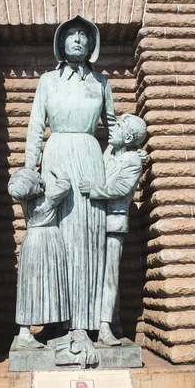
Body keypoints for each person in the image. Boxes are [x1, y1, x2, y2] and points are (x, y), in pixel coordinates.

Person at [24, 15, 116, 333]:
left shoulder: (101, 83)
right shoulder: (48, 81)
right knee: (57, 238)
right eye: (71, 34)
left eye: (82, 35)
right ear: (61, 43)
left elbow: (114, 131)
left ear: (91, 44)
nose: (77, 39)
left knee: (90, 239)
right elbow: (37, 127)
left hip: (90, 159)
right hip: (57, 157)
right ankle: (56, 321)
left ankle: (89, 323)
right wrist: (29, 170)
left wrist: (125, 159)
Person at [79, 114, 147, 346]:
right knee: (97, 275)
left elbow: (120, 187)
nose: (112, 128)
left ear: (128, 136)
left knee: (110, 277)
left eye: (118, 126)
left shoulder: (132, 161)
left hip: (113, 224)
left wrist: (93, 190)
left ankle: (106, 328)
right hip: (96, 221)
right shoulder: (110, 151)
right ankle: (109, 322)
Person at [8, 168, 71, 348]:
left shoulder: (24, 201)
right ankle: (30, 333)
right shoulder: (47, 200)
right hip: (48, 240)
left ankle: (30, 330)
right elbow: (65, 185)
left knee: (30, 287)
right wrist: (58, 172)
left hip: (31, 241)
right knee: (50, 285)